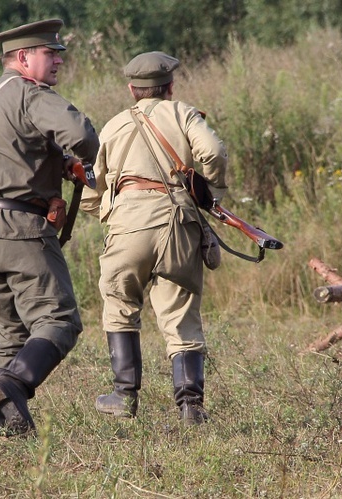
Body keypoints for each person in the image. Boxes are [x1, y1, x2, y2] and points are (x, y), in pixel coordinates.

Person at [0, 19, 99, 436]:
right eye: (50, 54)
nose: (58, 61)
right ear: (23, 58)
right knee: (60, 319)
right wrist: (75, 154)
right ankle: (12, 385)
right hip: (17, 227)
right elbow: (83, 136)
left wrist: (55, 160)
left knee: (5, 337)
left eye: (58, 53)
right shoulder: (31, 94)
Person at [79, 51, 228, 424]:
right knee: (181, 318)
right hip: (178, 223)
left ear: (132, 90)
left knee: (120, 306)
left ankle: (124, 397)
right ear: (171, 86)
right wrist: (211, 194)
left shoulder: (112, 126)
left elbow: (89, 191)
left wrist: (110, 214)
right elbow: (212, 151)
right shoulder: (183, 113)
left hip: (127, 225)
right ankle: (190, 407)